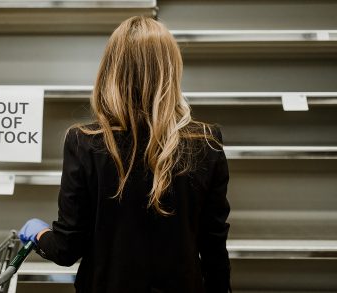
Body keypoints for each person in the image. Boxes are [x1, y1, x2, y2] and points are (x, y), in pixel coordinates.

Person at [18, 16, 232, 293]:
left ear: (111, 70)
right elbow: (214, 249)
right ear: (171, 70)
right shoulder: (205, 141)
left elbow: (67, 249)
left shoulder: (84, 142)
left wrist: (39, 233)